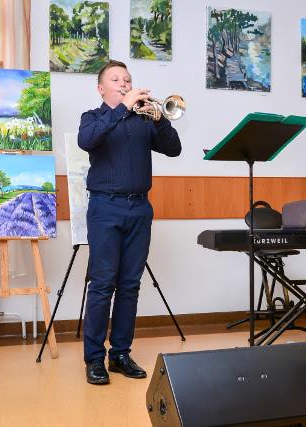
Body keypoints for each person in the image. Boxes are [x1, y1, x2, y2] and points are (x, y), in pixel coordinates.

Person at [78, 60, 182, 385]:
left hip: (139, 208)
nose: (124, 84)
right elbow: (87, 140)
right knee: (102, 284)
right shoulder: (93, 118)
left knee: (130, 285)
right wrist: (123, 107)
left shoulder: (144, 121)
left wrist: (160, 120)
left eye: (127, 79)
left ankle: (120, 354)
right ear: (101, 89)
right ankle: (94, 358)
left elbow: (174, 149)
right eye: (116, 80)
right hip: (105, 208)